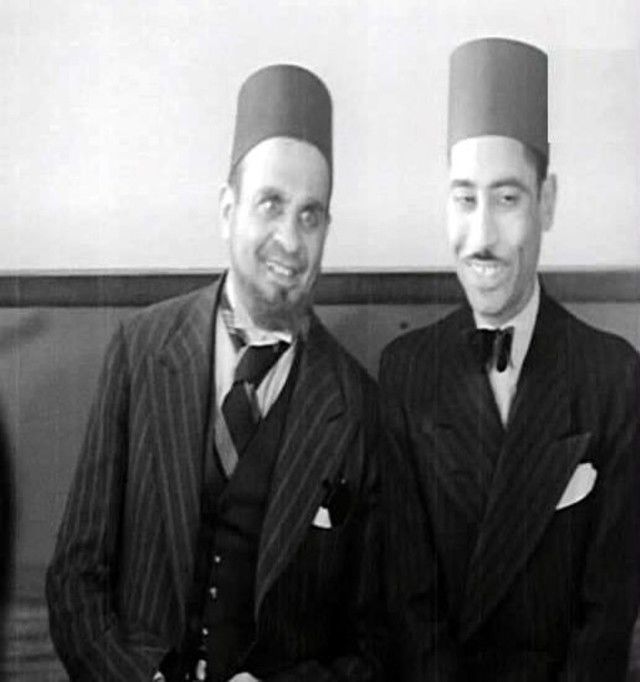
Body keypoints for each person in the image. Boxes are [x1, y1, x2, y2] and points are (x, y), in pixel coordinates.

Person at [47, 64, 385, 682]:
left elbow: (372, 648)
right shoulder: (139, 352)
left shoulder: (358, 406)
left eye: (310, 215)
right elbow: (75, 579)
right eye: (271, 204)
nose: (290, 240)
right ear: (227, 210)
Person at [380, 37, 640, 681]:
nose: (482, 238)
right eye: (464, 198)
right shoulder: (406, 371)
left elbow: (608, 616)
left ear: (546, 202)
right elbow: (409, 606)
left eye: (507, 199)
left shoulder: (613, 376)